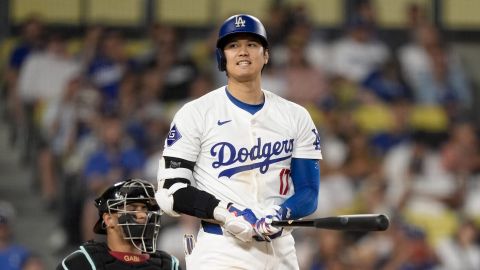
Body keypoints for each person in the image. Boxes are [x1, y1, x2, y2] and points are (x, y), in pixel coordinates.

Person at [155, 14, 322, 269]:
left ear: (265, 54)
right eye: (233, 45)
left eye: (251, 45)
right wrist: (226, 213)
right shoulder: (196, 113)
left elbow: (309, 191)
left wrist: (280, 212)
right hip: (222, 248)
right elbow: (170, 191)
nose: (243, 51)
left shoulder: (296, 115)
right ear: (222, 57)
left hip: (281, 249)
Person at [57, 179, 181, 270]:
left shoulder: (168, 265)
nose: (142, 215)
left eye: (145, 209)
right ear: (108, 219)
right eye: (132, 209)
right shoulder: (81, 264)